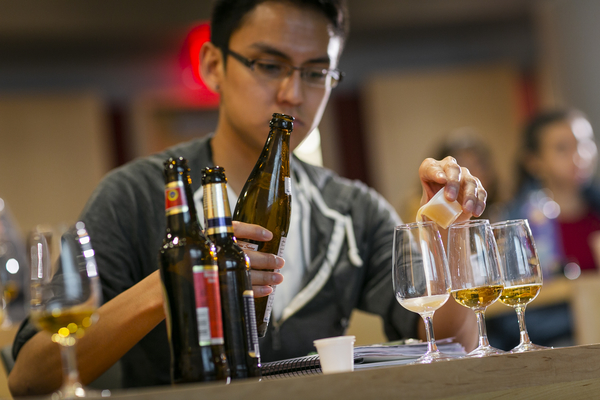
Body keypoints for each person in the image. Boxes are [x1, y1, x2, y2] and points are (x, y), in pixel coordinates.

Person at [8, 0, 486, 395]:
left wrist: (450, 226)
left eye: (316, 72)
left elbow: (444, 340)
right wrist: (176, 281)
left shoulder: (351, 210)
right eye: (269, 64)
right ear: (213, 65)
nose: (292, 93)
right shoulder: (134, 195)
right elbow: (30, 376)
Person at [488, 109, 599, 350]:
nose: (579, 156)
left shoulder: (596, 211)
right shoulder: (516, 223)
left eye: (584, 144)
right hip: (555, 342)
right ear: (534, 161)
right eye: (562, 148)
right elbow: (507, 314)